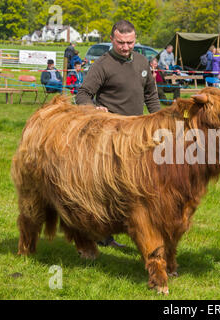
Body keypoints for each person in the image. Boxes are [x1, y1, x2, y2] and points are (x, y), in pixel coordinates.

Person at [76, 20, 161, 247]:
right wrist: (93, 110)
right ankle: (102, 234)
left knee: (138, 186)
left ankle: (137, 230)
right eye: (121, 42)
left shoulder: (143, 62)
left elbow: (151, 95)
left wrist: (160, 123)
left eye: (130, 42)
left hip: (137, 135)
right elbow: (83, 93)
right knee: (110, 187)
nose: (125, 47)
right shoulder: (102, 65)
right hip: (109, 137)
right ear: (112, 40)